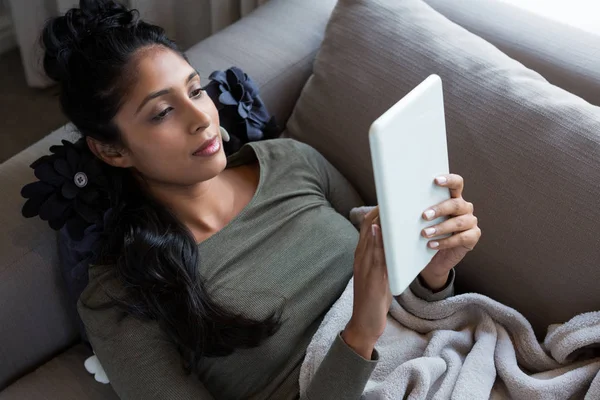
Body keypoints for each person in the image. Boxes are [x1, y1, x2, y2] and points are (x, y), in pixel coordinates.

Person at [41, 1, 481, 399]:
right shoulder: (119, 295)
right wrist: (360, 333)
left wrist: (437, 270)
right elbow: (371, 312)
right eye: (161, 113)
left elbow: (404, 299)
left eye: (195, 90)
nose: (201, 118)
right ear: (112, 150)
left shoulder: (293, 161)